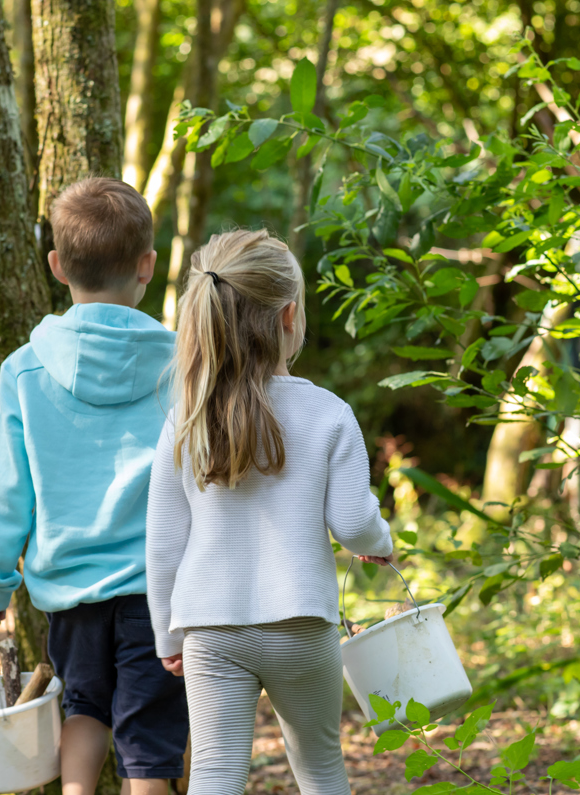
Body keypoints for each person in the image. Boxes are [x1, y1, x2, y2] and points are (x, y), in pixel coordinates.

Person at [146, 229, 395, 795]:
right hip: (300, 625)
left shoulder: (186, 417)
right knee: (320, 765)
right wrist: (378, 541)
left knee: (213, 772)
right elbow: (355, 523)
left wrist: (166, 634)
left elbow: (163, 540)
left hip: (210, 627)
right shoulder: (328, 412)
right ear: (289, 316)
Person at [0, 178, 188, 795]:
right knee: (148, 738)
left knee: (84, 710)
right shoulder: (184, 363)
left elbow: (5, 489)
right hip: (159, 588)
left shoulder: (26, 368)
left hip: (69, 589)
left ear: (58, 266)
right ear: (148, 264)